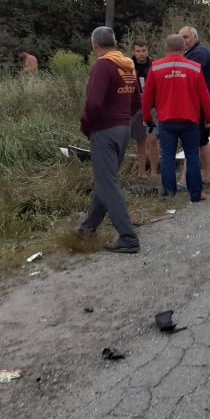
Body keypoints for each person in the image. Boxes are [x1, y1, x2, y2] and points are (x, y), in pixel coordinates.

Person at [77, 26, 141, 254]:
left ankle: (128, 238)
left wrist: (86, 126)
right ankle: (88, 228)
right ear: (115, 43)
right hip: (123, 128)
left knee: (108, 184)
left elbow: (94, 103)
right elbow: (137, 102)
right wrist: (123, 119)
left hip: (105, 131)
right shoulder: (127, 65)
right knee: (106, 181)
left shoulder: (103, 66)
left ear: (94, 45)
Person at [143, 34, 210, 203]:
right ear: (184, 48)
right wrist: (209, 117)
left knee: (168, 156)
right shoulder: (195, 67)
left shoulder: (156, 67)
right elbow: (205, 96)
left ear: (166, 48)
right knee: (192, 155)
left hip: (166, 120)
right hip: (190, 120)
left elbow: (147, 96)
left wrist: (147, 117)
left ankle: (169, 194)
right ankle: (196, 194)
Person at [179, 25, 210, 186]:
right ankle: (209, 177)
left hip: (202, 102)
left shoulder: (199, 53)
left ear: (195, 37)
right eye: (180, 38)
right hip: (202, 101)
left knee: (192, 140)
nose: (183, 41)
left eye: (186, 37)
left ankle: (185, 180)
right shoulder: (191, 53)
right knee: (202, 140)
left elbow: (187, 75)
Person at [130, 39, 160, 179]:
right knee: (140, 140)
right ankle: (141, 172)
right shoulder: (128, 66)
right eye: (138, 51)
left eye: (143, 51)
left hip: (152, 108)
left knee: (152, 139)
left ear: (147, 51)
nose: (141, 54)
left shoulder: (154, 66)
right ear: (133, 52)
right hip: (136, 108)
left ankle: (154, 172)